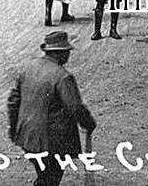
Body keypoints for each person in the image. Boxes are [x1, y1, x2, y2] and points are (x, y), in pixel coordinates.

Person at [7, 30, 96, 186]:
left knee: (44, 175)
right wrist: (88, 123)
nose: (68, 55)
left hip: (27, 138)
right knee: (51, 177)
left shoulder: (28, 68)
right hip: (51, 142)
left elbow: (13, 101)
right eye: (67, 52)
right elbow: (75, 107)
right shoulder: (62, 76)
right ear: (59, 53)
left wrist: (15, 129)